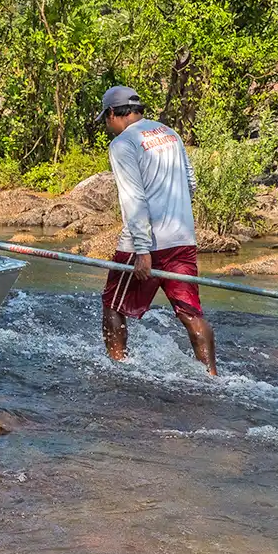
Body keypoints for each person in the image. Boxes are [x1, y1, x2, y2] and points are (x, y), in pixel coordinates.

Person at [98, 85, 217, 375]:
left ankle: (118, 368)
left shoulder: (123, 144)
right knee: (190, 313)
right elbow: (190, 183)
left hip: (145, 244)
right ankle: (212, 376)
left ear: (113, 113)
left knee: (113, 305)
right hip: (182, 238)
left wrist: (142, 250)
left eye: (106, 119)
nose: (107, 126)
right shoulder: (170, 133)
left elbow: (134, 199)